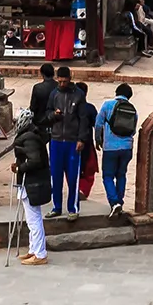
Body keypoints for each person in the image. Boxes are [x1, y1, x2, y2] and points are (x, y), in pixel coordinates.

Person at [11, 114, 52, 266]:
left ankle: (40, 253)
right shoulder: (32, 135)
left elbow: (34, 160)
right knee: (31, 218)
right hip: (31, 183)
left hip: (33, 183)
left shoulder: (29, 138)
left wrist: (20, 168)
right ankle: (33, 249)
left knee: (34, 219)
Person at [48, 65, 87, 219]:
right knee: (55, 176)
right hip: (56, 140)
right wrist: (53, 115)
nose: (62, 84)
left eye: (65, 81)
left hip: (72, 142)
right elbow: (47, 112)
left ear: (70, 79)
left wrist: (81, 139)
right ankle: (56, 206)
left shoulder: (79, 95)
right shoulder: (54, 94)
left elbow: (83, 119)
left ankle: (73, 208)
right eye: (60, 81)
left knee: (72, 177)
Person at [95, 81, 138, 216]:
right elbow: (133, 131)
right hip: (127, 148)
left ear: (116, 93)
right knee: (121, 175)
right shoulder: (132, 109)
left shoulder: (107, 105)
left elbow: (98, 124)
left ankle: (114, 203)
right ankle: (120, 201)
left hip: (110, 148)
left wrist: (98, 139)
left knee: (107, 176)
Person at [28, 60, 61, 130]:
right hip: (56, 120)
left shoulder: (37, 87)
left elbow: (33, 107)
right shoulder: (59, 87)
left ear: (42, 74)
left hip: (40, 121)